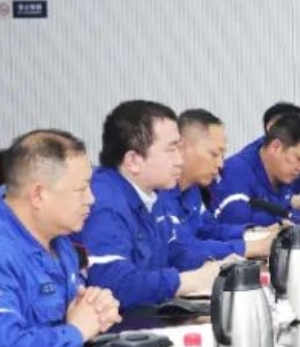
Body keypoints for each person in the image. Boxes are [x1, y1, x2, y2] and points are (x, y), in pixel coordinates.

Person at [0, 130, 122, 347]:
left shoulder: (59, 240)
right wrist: (76, 331)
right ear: (38, 195)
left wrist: (96, 310)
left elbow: (73, 315)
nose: (91, 199)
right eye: (81, 189)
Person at [79, 100, 234, 310]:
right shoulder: (103, 201)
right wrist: (188, 281)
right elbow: (114, 284)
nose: (180, 161)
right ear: (133, 161)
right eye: (171, 150)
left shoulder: (152, 194)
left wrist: (221, 265)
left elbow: (175, 252)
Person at [172, 109, 275, 259]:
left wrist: (256, 233)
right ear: (182, 147)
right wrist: (251, 248)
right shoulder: (158, 194)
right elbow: (183, 250)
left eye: (222, 155)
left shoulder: (192, 189)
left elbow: (208, 230)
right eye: (214, 154)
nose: (220, 164)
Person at [213, 112, 300, 228]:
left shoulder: (285, 172)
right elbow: (238, 224)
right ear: (276, 147)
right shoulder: (237, 172)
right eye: (299, 158)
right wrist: (297, 216)